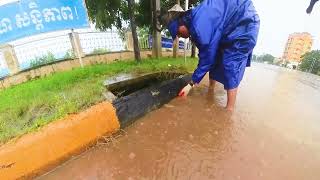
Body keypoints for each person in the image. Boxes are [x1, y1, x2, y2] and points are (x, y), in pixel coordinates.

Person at [167, 0, 260, 111]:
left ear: (181, 23)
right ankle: (211, 90)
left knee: (230, 64)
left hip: (244, 22)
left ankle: (229, 110)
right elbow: (206, 54)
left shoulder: (198, 26)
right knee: (217, 57)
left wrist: (190, 85)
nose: (180, 36)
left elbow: (207, 59)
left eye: (178, 33)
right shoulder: (194, 21)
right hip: (230, 25)